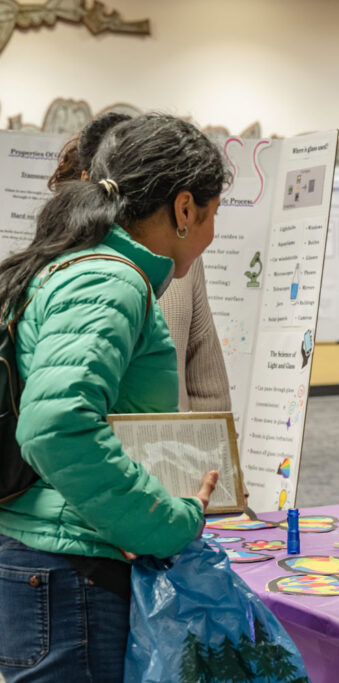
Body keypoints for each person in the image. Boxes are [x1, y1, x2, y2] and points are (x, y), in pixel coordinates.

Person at [0, 113, 226, 682]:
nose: (212, 231)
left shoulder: (73, 263)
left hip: (48, 560)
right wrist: (162, 523)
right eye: (212, 213)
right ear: (182, 209)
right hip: (70, 571)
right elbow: (56, 426)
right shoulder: (111, 279)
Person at [49, 111, 232, 413]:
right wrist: (128, 464)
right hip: (121, 458)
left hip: (168, 453)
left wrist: (212, 455)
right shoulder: (99, 279)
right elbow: (60, 423)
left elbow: (207, 382)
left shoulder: (173, 264)